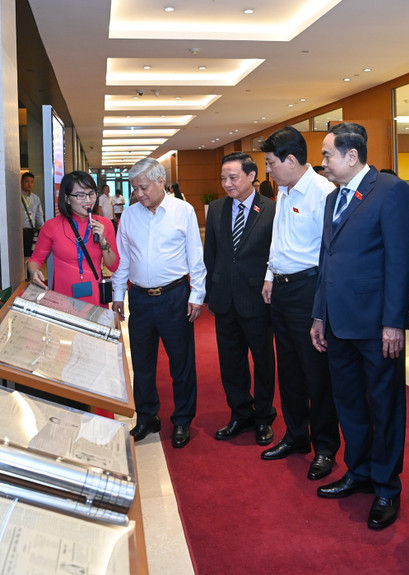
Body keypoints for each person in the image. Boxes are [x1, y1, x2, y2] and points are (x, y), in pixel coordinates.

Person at [310, 122, 409, 530]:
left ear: (351, 156)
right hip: (337, 321)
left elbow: (399, 261)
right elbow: (327, 259)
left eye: (327, 156)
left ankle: (387, 486)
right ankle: (359, 471)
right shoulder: (333, 197)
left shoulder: (390, 191)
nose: (323, 164)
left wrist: (394, 321)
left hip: (375, 325)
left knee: (384, 406)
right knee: (349, 402)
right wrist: (319, 314)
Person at [260, 126, 340, 481]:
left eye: (271, 163)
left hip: (309, 289)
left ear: (291, 160)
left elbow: (329, 253)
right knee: (289, 369)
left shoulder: (323, 193)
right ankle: (296, 436)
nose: (269, 171)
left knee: (315, 373)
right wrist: (268, 275)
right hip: (281, 288)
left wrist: (321, 305)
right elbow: (280, 240)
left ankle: (325, 445)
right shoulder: (283, 190)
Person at [111, 158, 206, 449]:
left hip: (174, 297)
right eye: (134, 188)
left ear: (160, 182)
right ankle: (147, 417)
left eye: (143, 187)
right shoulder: (129, 215)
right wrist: (118, 295)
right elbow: (124, 258)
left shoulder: (183, 211)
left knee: (181, 363)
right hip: (140, 298)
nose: (138, 194)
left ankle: (182, 420)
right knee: (142, 364)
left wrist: (197, 295)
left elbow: (195, 256)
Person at [204, 153, 277, 447]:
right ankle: (239, 413)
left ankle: (263, 417)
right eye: (223, 178)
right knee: (230, 362)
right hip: (224, 298)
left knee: (262, 360)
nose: (227, 184)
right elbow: (211, 253)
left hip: (257, 298)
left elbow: (274, 253)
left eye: (233, 177)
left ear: (251, 176)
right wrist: (210, 290)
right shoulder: (218, 209)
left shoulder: (271, 209)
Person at [27, 171, 118, 307]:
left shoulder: (105, 224)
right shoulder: (52, 226)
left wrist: (103, 241)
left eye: (91, 193)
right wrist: (34, 272)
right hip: (62, 299)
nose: (88, 200)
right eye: (80, 195)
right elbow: (35, 260)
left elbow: (113, 265)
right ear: (67, 198)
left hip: (95, 298)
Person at [21, 172, 44, 258]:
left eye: (32, 182)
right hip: (19, 232)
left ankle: (29, 271)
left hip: (31, 232)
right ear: (21, 182)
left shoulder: (35, 198)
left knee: (30, 256)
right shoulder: (16, 196)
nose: (29, 184)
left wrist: (42, 227)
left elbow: (39, 215)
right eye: (26, 181)